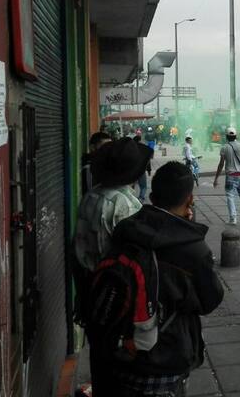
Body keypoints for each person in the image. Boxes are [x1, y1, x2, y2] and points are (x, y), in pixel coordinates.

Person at [107, 161, 225, 396]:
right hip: (166, 357)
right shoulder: (193, 250)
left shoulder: (125, 229)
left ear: (152, 196)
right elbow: (210, 300)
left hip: (120, 348)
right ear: (190, 200)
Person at [73, 138, 153, 395]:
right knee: (122, 360)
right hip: (117, 293)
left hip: (91, 287)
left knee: (99, 353)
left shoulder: (91, 196)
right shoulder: (124, 204)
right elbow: (136, 257)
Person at [213, 127, 240, 224]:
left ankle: (233, 219)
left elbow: (221, 164)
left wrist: (216, 178)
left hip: (230, 176)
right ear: (236, 136)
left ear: (226, 137)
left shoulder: (224, 147)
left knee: (230, 197)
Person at [81, 131, 112, 195]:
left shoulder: (105, 165)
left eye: (110, 147)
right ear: (92, 147)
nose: (108, 150)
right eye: (104, 147)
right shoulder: (88, 168)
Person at [133, 135, 152, 202]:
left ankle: (131, 198)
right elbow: (148, 161)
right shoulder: (145, 149)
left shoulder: (130, 148)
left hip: (131, 170)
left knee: (131, 186)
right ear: (140, 140)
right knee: (143, 186)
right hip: (141, 170)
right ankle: (141, 198)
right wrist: (149, 170)